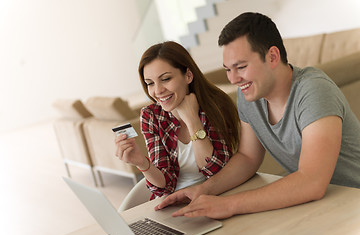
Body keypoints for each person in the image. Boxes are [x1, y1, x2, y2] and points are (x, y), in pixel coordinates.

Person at [155, 12, 360, 219]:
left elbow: (312, 182)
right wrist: (204, 190)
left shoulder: (314, 90)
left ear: (272, 56)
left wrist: (228, 204)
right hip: (325, 207)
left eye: (241, 67)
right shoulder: (250, 95)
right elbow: (248, 157)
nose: (234, 79)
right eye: (228, 69)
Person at [115, 41, 240, 199]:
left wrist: (192, 120)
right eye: (150, 83)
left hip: (217, 195)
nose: (158, 91)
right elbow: (164, 186)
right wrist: (141, 162)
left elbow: (215, 170)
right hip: (173, 200)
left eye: (166, 79)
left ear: (188, 75)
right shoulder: (151, 116)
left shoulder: (216, 106)